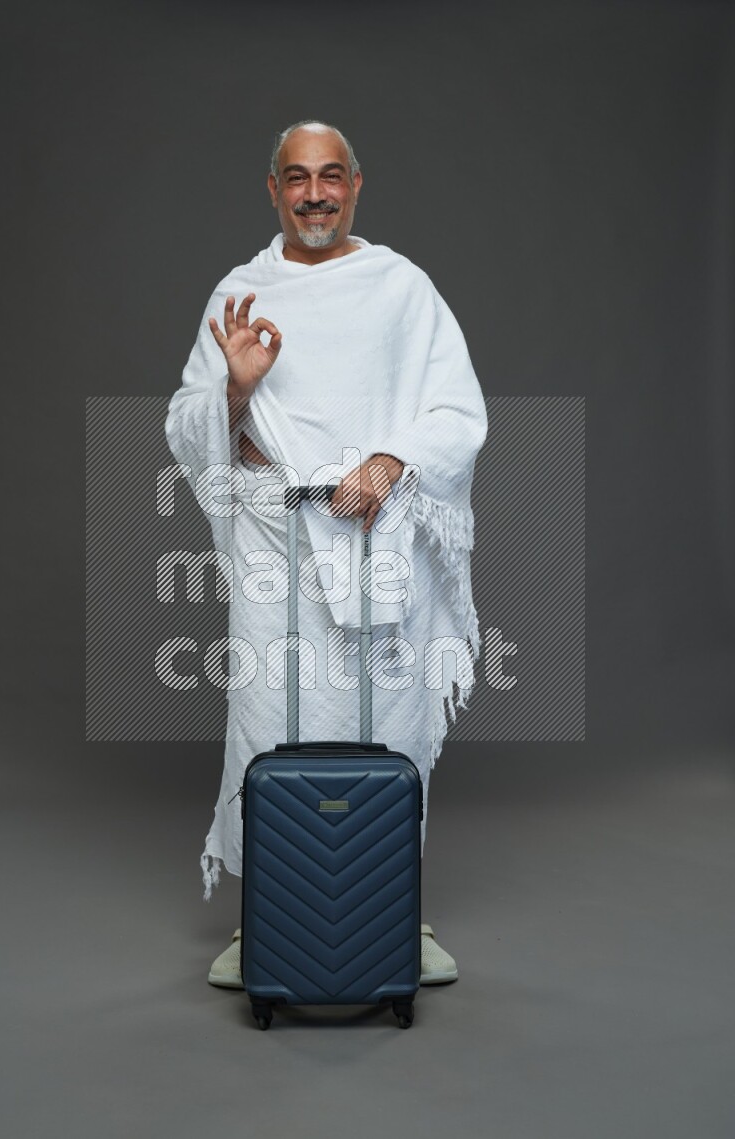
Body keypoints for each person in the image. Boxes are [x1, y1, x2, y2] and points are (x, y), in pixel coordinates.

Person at [165, 120, 487, 989]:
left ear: (355, 185)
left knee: (392, 726)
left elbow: (456, 412)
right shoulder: (241, 291)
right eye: (297, 177)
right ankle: (264, 915)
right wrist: (234, 386)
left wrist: (387, 461)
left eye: (331, 175)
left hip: (380, 542)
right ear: (272, 190)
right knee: (271, 724)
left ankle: (395, 915)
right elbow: (187, 428)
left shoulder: (402, 288)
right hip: (280, 542)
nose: (315, 192)